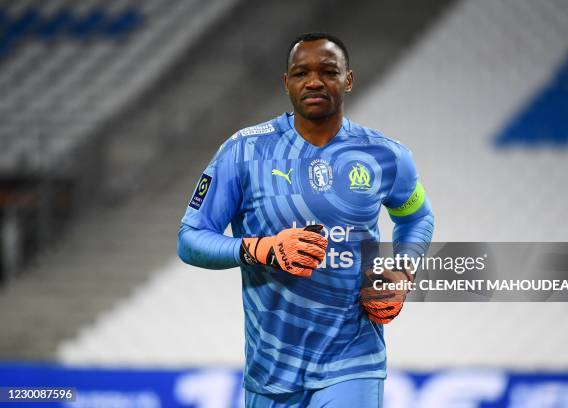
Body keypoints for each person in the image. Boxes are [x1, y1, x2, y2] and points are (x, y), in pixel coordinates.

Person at [177, 32, 434, 408]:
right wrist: (261, 248)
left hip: (353, 358)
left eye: (328, 71)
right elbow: (191, 239)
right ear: (286, 83)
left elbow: (418, 217)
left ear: (348, 80)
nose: (314, 81)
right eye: (301, 73)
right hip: (271, 368)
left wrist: (402, 269)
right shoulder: (244, 151)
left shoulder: (385, 155)